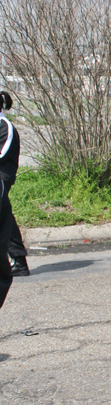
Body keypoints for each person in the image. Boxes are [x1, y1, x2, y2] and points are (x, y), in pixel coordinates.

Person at [0, 91, 21, 307]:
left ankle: (17, 259)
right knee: (6, 219)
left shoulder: (4, 125)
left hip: (1, 179)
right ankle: (18, 257)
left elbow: (2, 153)